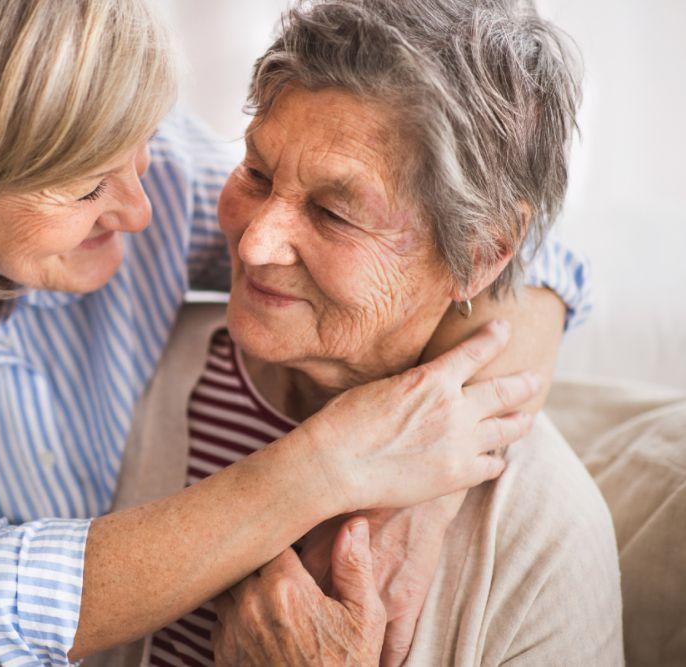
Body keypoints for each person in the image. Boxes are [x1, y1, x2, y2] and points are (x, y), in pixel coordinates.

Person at [0, 1, 588, 664]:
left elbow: (508, 242)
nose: (147, 207)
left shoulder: (86, 128)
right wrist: (332, 464)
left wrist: (421, 488)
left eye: (138, 146)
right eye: (85, 189)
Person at [97, 1, 618, 665]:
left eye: (334, 213)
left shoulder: (542, 532)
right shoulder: (149, 372)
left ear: (484, 251)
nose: (255, 244)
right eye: (256, 172)